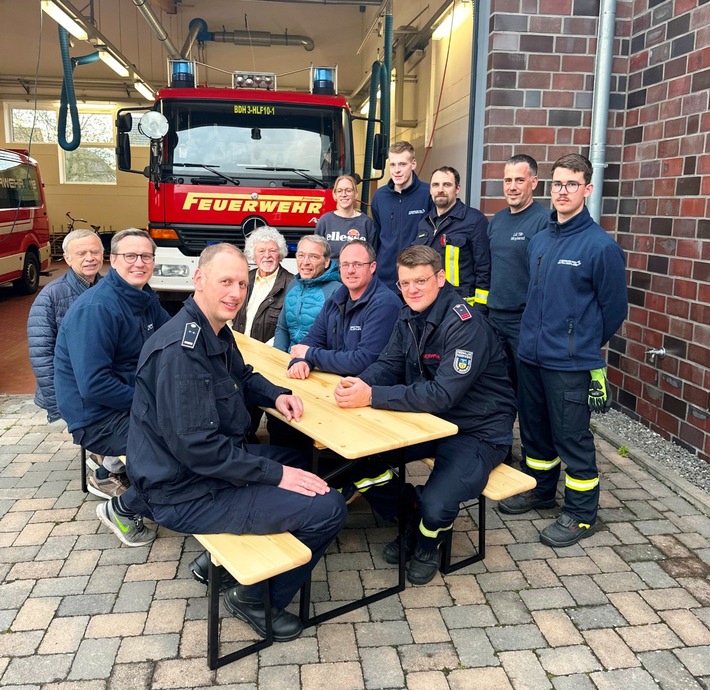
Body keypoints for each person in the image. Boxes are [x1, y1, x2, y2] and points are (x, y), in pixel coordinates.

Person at [96, 243, 347, 642]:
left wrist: (275, 394)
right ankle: (253, 598)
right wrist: (276, 475)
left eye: (242, 284)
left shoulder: (211, 327)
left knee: (307, 461)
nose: (235, 292)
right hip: (187, 490)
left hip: (203, 469)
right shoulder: (182, 352)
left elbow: (243, 376)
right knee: (327, 507)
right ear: (199, 281)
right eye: (225, 281)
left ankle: (217, 565)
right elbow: (201, 450)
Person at [334, 246, 516, 585]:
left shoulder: (465, 324)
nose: (412, 289)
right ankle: (410, 511)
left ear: (441, 278)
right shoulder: (409, 314)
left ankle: (429, 541)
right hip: (428, 422)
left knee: (438, 503)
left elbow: (444, 393)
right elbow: (389, 363)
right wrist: (359, 384)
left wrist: (371, 396)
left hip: (477, 428)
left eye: (420, 281)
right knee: (359, 462)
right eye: (405, 283)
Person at [497, 153, 627, 549]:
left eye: (571, 184)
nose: (562, 191)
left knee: (572, 439)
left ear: (587, 189)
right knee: (535, 434)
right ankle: (540, 490)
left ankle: (581, 514)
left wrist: (580, 344)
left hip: (569, 363)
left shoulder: (600, 246)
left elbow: (614, 310)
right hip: (531, 356)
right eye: (557, 184)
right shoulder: (540, 240)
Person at [54, 228, 170, 501]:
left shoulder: (145, 298)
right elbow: (95, 386)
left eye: (146, 256)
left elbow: (171, 336)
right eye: (130, 256)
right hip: (95, 418)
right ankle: (125, 502)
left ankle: (116, 470)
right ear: (114, 260)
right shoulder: (97, 309)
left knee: (194, 415)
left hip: (124, 401)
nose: (139, 263)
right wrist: (156, 401)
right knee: (180, 434)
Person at [286, 240, 400, 379]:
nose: (350, 270)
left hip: (367, 391)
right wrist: (301, 362)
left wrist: (310, 355)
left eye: (358, 264)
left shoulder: (384, 304)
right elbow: (312, 340)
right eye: (345, 264)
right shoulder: (336, 299)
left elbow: (364, 361)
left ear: (372, 267)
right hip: (333, 383)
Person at [28, 229, 104, 424]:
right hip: (71, 391)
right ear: (67, 259)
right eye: (81, 254)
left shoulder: (110, 290)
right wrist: (57, 406)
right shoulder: (50, 296)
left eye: (95, 252)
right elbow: (42, 357)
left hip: (103, 388)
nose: (90, 258)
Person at [486, 154, 549, 390]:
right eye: (507, 180)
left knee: (527, 388)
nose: (512, 187)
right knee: (497, 386)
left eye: (519, 180)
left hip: (523, 321)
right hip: (494, 318)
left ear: (533, 182)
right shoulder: (498, 220)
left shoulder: (544, 221)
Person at [412, 166, 490, 312]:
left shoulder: (474, 221)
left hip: (461, 305)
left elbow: (483, 269)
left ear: (457, 188)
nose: (440, 189)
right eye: (435, 185)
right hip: (430, 304)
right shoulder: (425, 223)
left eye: (447, 185)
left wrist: (480, 309)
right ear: (430, 189)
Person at [371, 141, 434, 291]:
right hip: (385, 279)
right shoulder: (380, 197)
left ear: (413, 164)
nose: (397, 170)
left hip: (417, 278)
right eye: (393, 165)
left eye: (402, 164)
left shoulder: (427, 194)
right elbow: (377, 237)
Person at [273, 235, 341, 352]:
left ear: (326, 262)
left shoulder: (338, 291)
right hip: (288, 358)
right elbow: (282, 328)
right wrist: (278, 356)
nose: (305, 262)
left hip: (316, 362)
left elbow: (333, 340)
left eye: (313, 257)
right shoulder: (293, 285)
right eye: (301, 255)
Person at [232, 226, 293, 345]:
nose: (267, 255)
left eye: (272, 251)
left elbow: (291, 328)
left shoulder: (292, 284)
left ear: (279, 255)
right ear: (253, 256)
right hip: (235, 349)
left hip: (268, 354)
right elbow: (227, 313)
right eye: (261, 251)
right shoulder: (242, 278)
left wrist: (262, 350)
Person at [315, 175, 378, 259]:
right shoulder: (325, 221)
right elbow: (316, 253)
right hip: (331, 271)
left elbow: (373, 256)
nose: (344, 194)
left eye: (348, 190)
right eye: (340, 191)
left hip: (358, 271)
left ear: (355, 194)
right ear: (334, 195)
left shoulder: (367, 223)